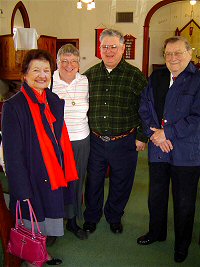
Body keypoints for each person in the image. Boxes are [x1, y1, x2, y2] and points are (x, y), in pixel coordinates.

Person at [2, 49, 78, 266]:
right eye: (36, 70)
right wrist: (21, 189)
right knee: (32, 216)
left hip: (52, 173)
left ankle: (42, 252)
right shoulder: (13, 106)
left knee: (45, 216)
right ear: (24, 74)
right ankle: (33, 257)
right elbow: (12, 154)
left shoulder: (53, 100)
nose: (42, 75)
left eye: (46, 70)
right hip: (31, 174)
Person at [138, 36, 200, 263]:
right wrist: (154, 134)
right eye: (168, 54)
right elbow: (144, 106)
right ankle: (156, 232)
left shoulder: (198, 80)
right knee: (156, 196)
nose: (172, 58)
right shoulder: (157, 76)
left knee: (184, 201)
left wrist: (168, 133)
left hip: (186, 153)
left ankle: (182, 245)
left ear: (189, 54)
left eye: (178, 53)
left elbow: (197, 118)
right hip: (158, 149)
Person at [83, 28, 147, 235]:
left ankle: (114, 216)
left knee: (122, 182)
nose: (109, 51)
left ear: (122, 49)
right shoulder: (88, 76)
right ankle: (91, 217)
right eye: (105, 47)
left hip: (124, 142)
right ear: (99, 49)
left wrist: (142, 135)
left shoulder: (135, 76)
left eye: (113, 47)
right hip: (95, 141)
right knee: (93, 182)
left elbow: (147, 109)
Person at [52, 44, 90, 240]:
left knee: (76, 182)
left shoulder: (85, 81)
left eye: (73, 61)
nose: (69, 65)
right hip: (56, 142)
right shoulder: (48, 81)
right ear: (57, 62)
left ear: (78, 63)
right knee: (55, 183)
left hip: (81, 140)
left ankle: (73, 221)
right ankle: (54, 223)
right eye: (64, 61)